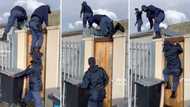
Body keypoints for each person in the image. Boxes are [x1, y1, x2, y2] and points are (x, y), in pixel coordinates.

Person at [20, 3, 51, 107]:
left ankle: (32, 49)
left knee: (34, 37)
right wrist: (47, 26)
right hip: (36, 22)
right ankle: (36, 48)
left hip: (31, 22)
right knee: (41, 36)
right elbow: (46, 19)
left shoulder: (38, 9)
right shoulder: (45, 9)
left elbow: (26, 72)